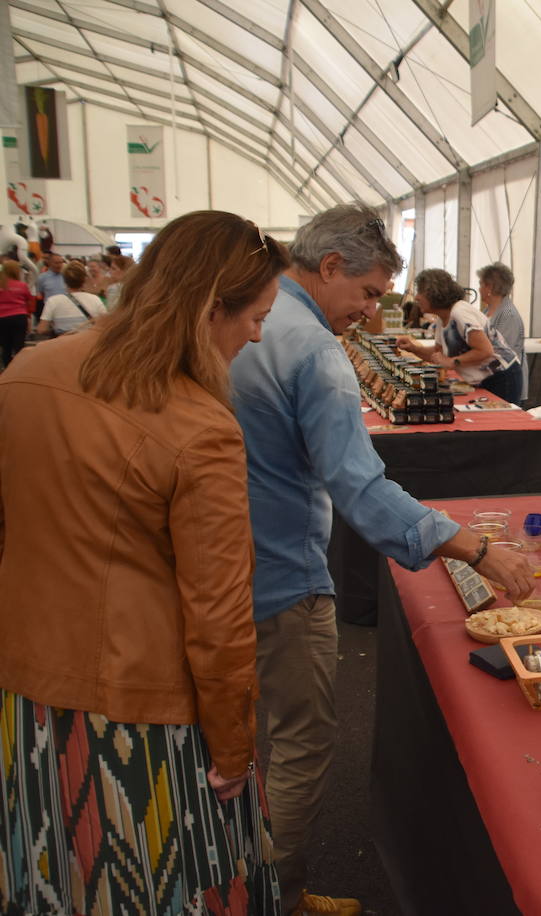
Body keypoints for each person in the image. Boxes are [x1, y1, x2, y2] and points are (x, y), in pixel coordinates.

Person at [229, 204, 534, 916]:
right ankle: (284, 896)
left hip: (227, 565)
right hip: (282, 577)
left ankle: (237, 880)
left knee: (235, 744)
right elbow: (360, 488)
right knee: (300, 744)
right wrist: (473, 547)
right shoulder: (310, 348)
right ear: (329, 267)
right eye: (367, 294)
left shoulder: (253, 318)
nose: (372, 311)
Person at [0, 210, 288, 915]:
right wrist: (232, 748)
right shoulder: (197, 426)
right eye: (254, 317)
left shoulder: (27, 374)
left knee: (49, 882)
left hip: (28, 698)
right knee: (168, 886)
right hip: (140, 723)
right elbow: (219, 615)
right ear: (209, 306)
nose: (257, 335)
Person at [395, 267, 521, 401]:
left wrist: (451, 361)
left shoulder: (459, 312)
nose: (416, 297)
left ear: (434, 293)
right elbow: (438, 354)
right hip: (487, 379)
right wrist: (413, 348)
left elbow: (485, 350)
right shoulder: (442, 317)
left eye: (420, 292)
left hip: (503, 378)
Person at [476, 261, 526, 402]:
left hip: (505, 383)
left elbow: (504, 354)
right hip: (493, 379)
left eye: (481, 284)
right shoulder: (487, 311)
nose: (479, 289)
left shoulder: (508, 314)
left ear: (489, 287)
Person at [36, 260, 108, 337]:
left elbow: (41, 329)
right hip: (87, 343)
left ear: (64, 280)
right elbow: (105, 325)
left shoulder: (53, 301)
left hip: (62, 343)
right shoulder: (95, 300)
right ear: (84, 279)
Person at [0, 260, 33, 368]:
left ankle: (6, 371)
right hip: (19, 317)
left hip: (2, 318)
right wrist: (28, 317)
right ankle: (19, 370)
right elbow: (29, 301)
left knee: (6, 347)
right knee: (19, 347)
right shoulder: (22, 285)